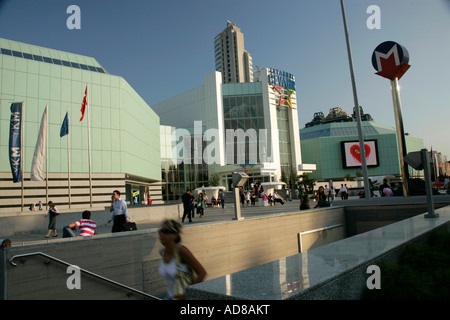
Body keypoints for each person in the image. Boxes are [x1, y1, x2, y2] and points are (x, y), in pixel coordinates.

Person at [158, 219, 206, 300]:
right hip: (169, 296)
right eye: (160, 231)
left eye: (166, 231)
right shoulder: (162, 252)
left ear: (175, 235)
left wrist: (186, 294)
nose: (161, 234)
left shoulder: (181, 250)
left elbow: (202, 272)